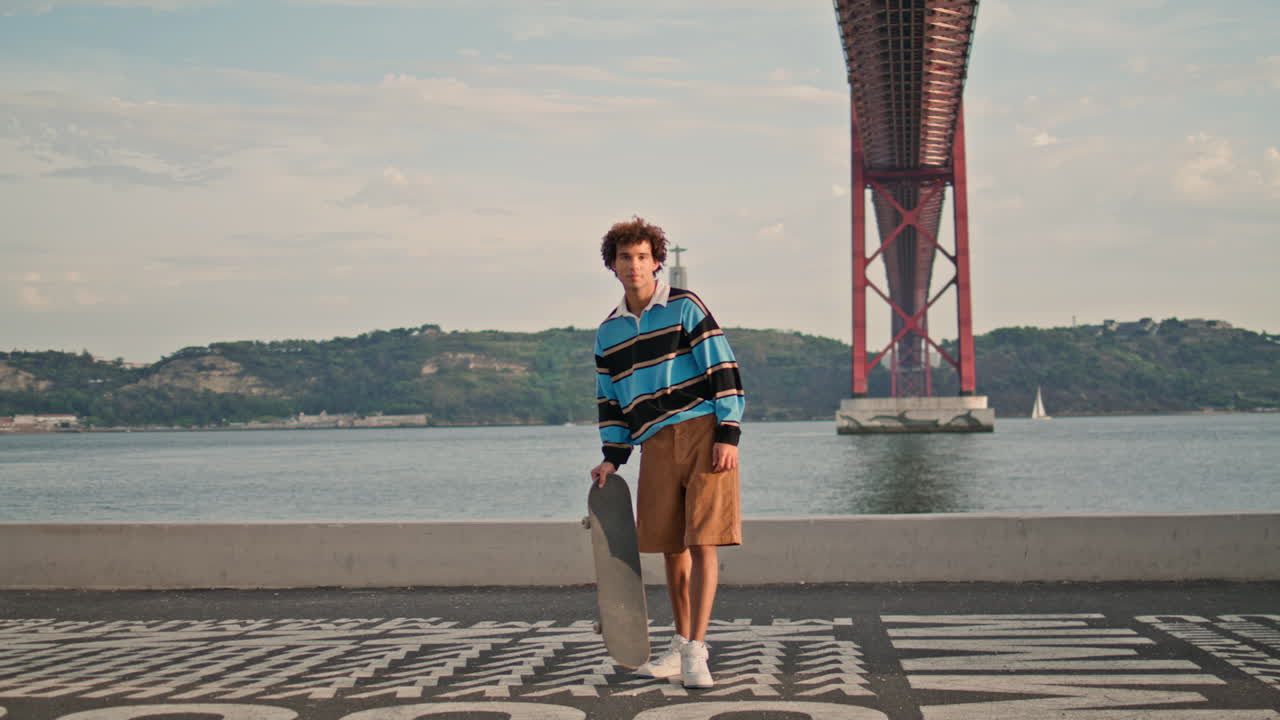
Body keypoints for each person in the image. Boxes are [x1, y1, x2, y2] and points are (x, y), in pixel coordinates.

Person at [588, 216, 745, 689]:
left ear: (657, 262)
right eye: (624, 258)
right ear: (612, 266)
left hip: (702, 433)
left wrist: (727, 434)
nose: (634, 266)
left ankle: (697, 650)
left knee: (703, 541)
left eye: (642, 257)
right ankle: (680, 644)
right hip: (653, 441)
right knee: (671, 549)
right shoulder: (608, 333)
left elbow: (724, 369)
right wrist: (613, 457)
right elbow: (610, 400)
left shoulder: (685, 307)